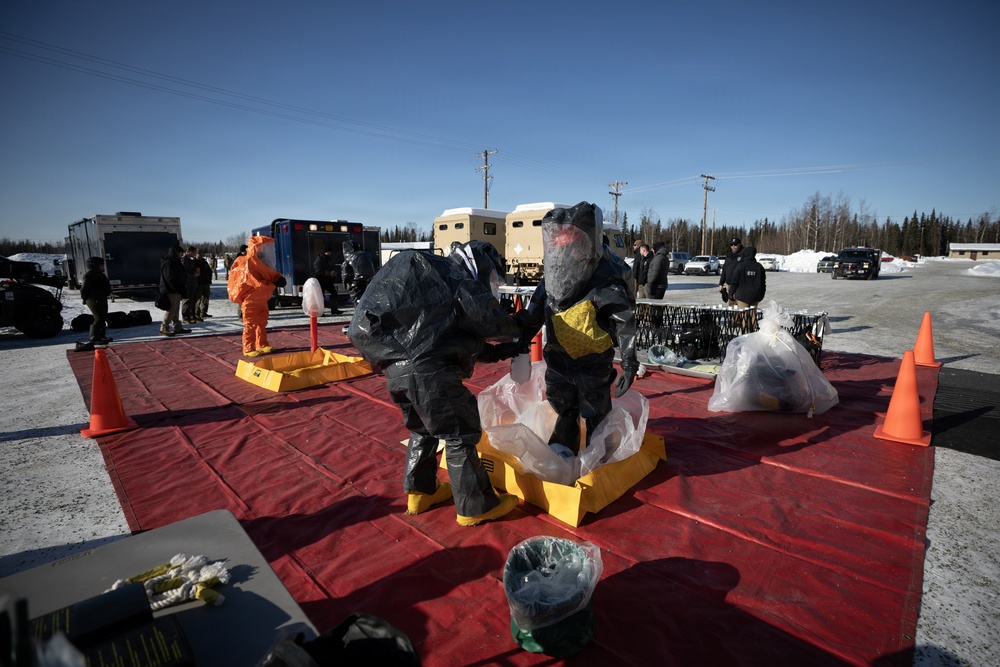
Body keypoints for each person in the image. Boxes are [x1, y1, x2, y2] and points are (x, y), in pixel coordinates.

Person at [347, 240, 524, 527]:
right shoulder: (456, 279)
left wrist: (505, 350)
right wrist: (520, 325)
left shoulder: (433, 287)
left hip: (396, 371)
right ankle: (476, 505)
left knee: (424, 428)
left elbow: (454, 341)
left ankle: (420, 491)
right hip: (427, 373)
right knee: (460, 432)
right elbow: (490, 322)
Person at [515, 202, 639, 455]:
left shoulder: (605, 280)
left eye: (570, 249)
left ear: (582, 247)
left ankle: (599, 456)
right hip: (559, 357)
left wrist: (629, 362)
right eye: (559, 250)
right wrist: (517, 344)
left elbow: (625, 321)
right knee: (564, 408)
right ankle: (563, 450)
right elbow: (533, 314)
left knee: (596, 412)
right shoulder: (553, 278)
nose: (565, 256)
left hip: (593, 360)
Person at [229, 236, 286, 357]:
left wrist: (279, 278)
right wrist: (274, 284)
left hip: (262, 299)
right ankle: (248, 348)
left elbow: (268, 273)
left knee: (262, 322)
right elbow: (256, 282)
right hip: (251, 299)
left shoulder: (260, 262)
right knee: (250, 323)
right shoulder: (247, 263)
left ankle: (262, 344)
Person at [159, 245, 190, 336]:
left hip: (176, 289)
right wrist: (176, 288)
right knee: (171, 309)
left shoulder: (175, 261)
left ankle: (177, 327)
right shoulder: (168, 262)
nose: (182, 255)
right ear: (176, 253)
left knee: (176, 309)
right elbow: (169, 278)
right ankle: (164, 327)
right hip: (171, 289)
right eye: (181, 253)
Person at [80, 256, 112, 346]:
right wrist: (85, 299)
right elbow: (84, 289)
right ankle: (93, 337)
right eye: (101, 265)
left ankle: (101, 336)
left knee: (103, 317)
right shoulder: (89, 275)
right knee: (98, 318)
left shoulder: (100, 274)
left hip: (101, 298)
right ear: (95, 266)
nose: (103, 267)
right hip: (94, 299)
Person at [341, 241, 376, 306]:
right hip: (369, 280)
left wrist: (346, 284)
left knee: (357, 301)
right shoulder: (366, 254)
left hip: (356, 283)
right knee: (368, 299)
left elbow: (345, 274)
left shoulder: (348, 258)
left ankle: (360, 313)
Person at [312, 248, 342, 315]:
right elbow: (318, 270)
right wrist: (329, 273)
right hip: (321, 280)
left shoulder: (329, 259)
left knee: (334, 293)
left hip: (328, 281)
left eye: (329, 252)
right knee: (320, 296)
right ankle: (320, 312)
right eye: (328, 252)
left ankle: (334, 310)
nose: (329, 253)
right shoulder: (320, 259)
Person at [718, 237, 744, 306]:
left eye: (735, 244)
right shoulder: (728, 256)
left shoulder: (743, 255)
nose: (733, 246)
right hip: (730, 284)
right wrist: (721, 283)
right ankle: (733, 317)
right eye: (731, 245)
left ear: (739, 245)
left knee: (740, 305)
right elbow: (724, 271)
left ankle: (739, 317)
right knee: (731, 304)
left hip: (740, 285)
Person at [181, 246, 201, 324]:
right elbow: (185, 273)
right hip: (188, 283)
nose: (195, 254)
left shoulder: (190, 260)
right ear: (190, 252)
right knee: (187, 300)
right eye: (194, 252)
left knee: (192, 300)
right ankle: (185, 317)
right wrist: (194, 275)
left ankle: (191, 316)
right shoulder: (185, 260)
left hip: (192, 283)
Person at [194, 249, 213, 319]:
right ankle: (197, 313)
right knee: (198, 299)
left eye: (201, 254)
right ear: (196, 254)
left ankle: (203, 312)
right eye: (199, 254)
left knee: (205, 298)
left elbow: (209, 271)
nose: (200, 255)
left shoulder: (204, 262)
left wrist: (209, 278)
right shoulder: (194, 262)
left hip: (206, 282)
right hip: (198, 283)